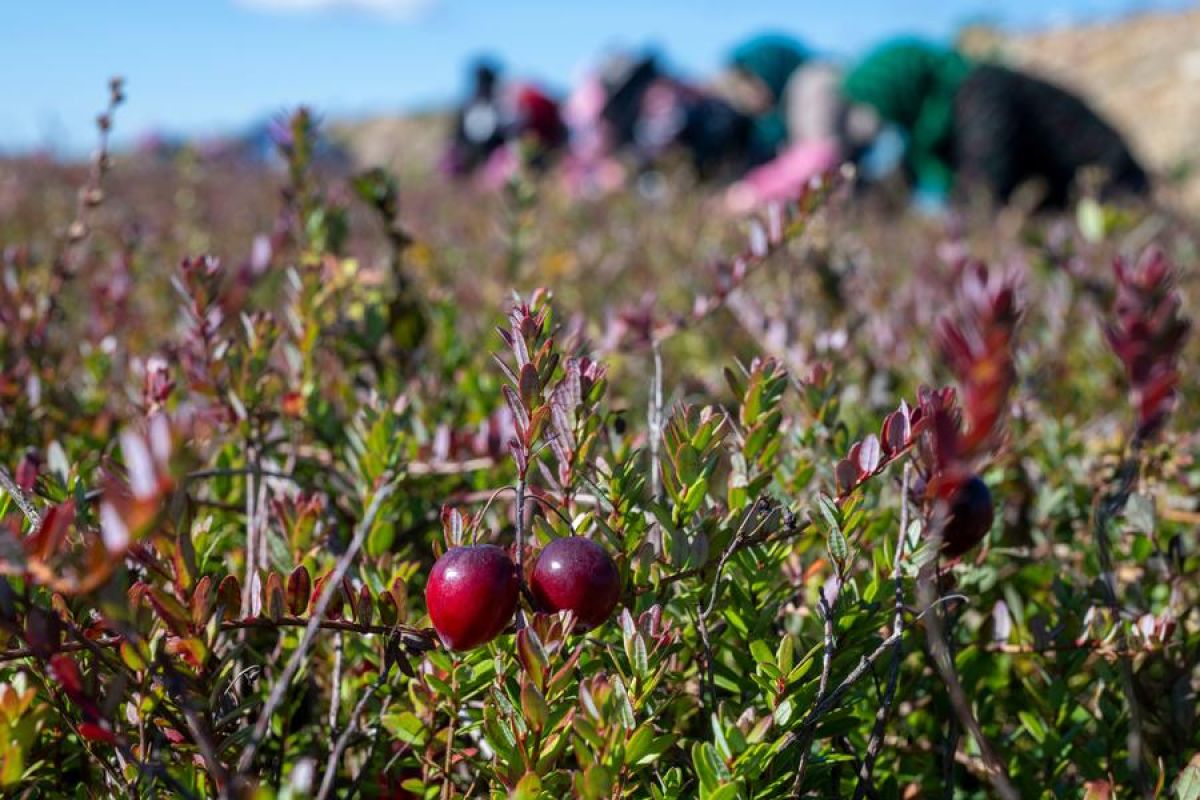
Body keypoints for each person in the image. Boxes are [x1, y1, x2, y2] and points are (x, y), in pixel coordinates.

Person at [842, 38, 1148, 208]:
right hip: (1074, 209)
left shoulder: (980, 94)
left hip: (1118, 195)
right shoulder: (930, 131)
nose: (873, 122)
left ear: (896, 89)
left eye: (870, 104)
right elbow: (903, 180)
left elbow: (984, 190)